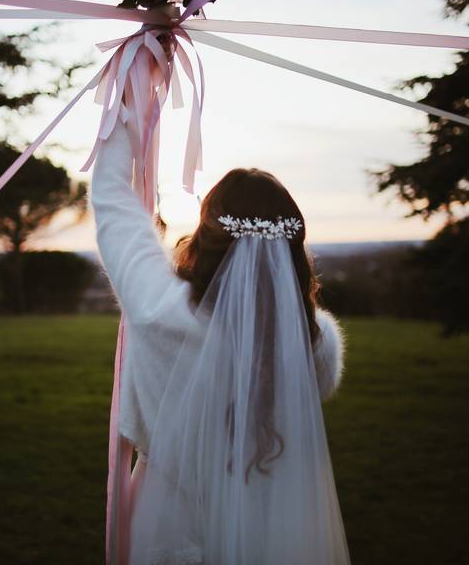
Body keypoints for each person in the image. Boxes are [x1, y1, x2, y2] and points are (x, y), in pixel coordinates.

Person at [92, 120, 350, 565]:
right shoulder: (313, 340)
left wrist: (125, 109)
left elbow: (113, 203)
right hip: (271, 524)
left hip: (173, 526)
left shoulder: (158, 307)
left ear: (205, 237)